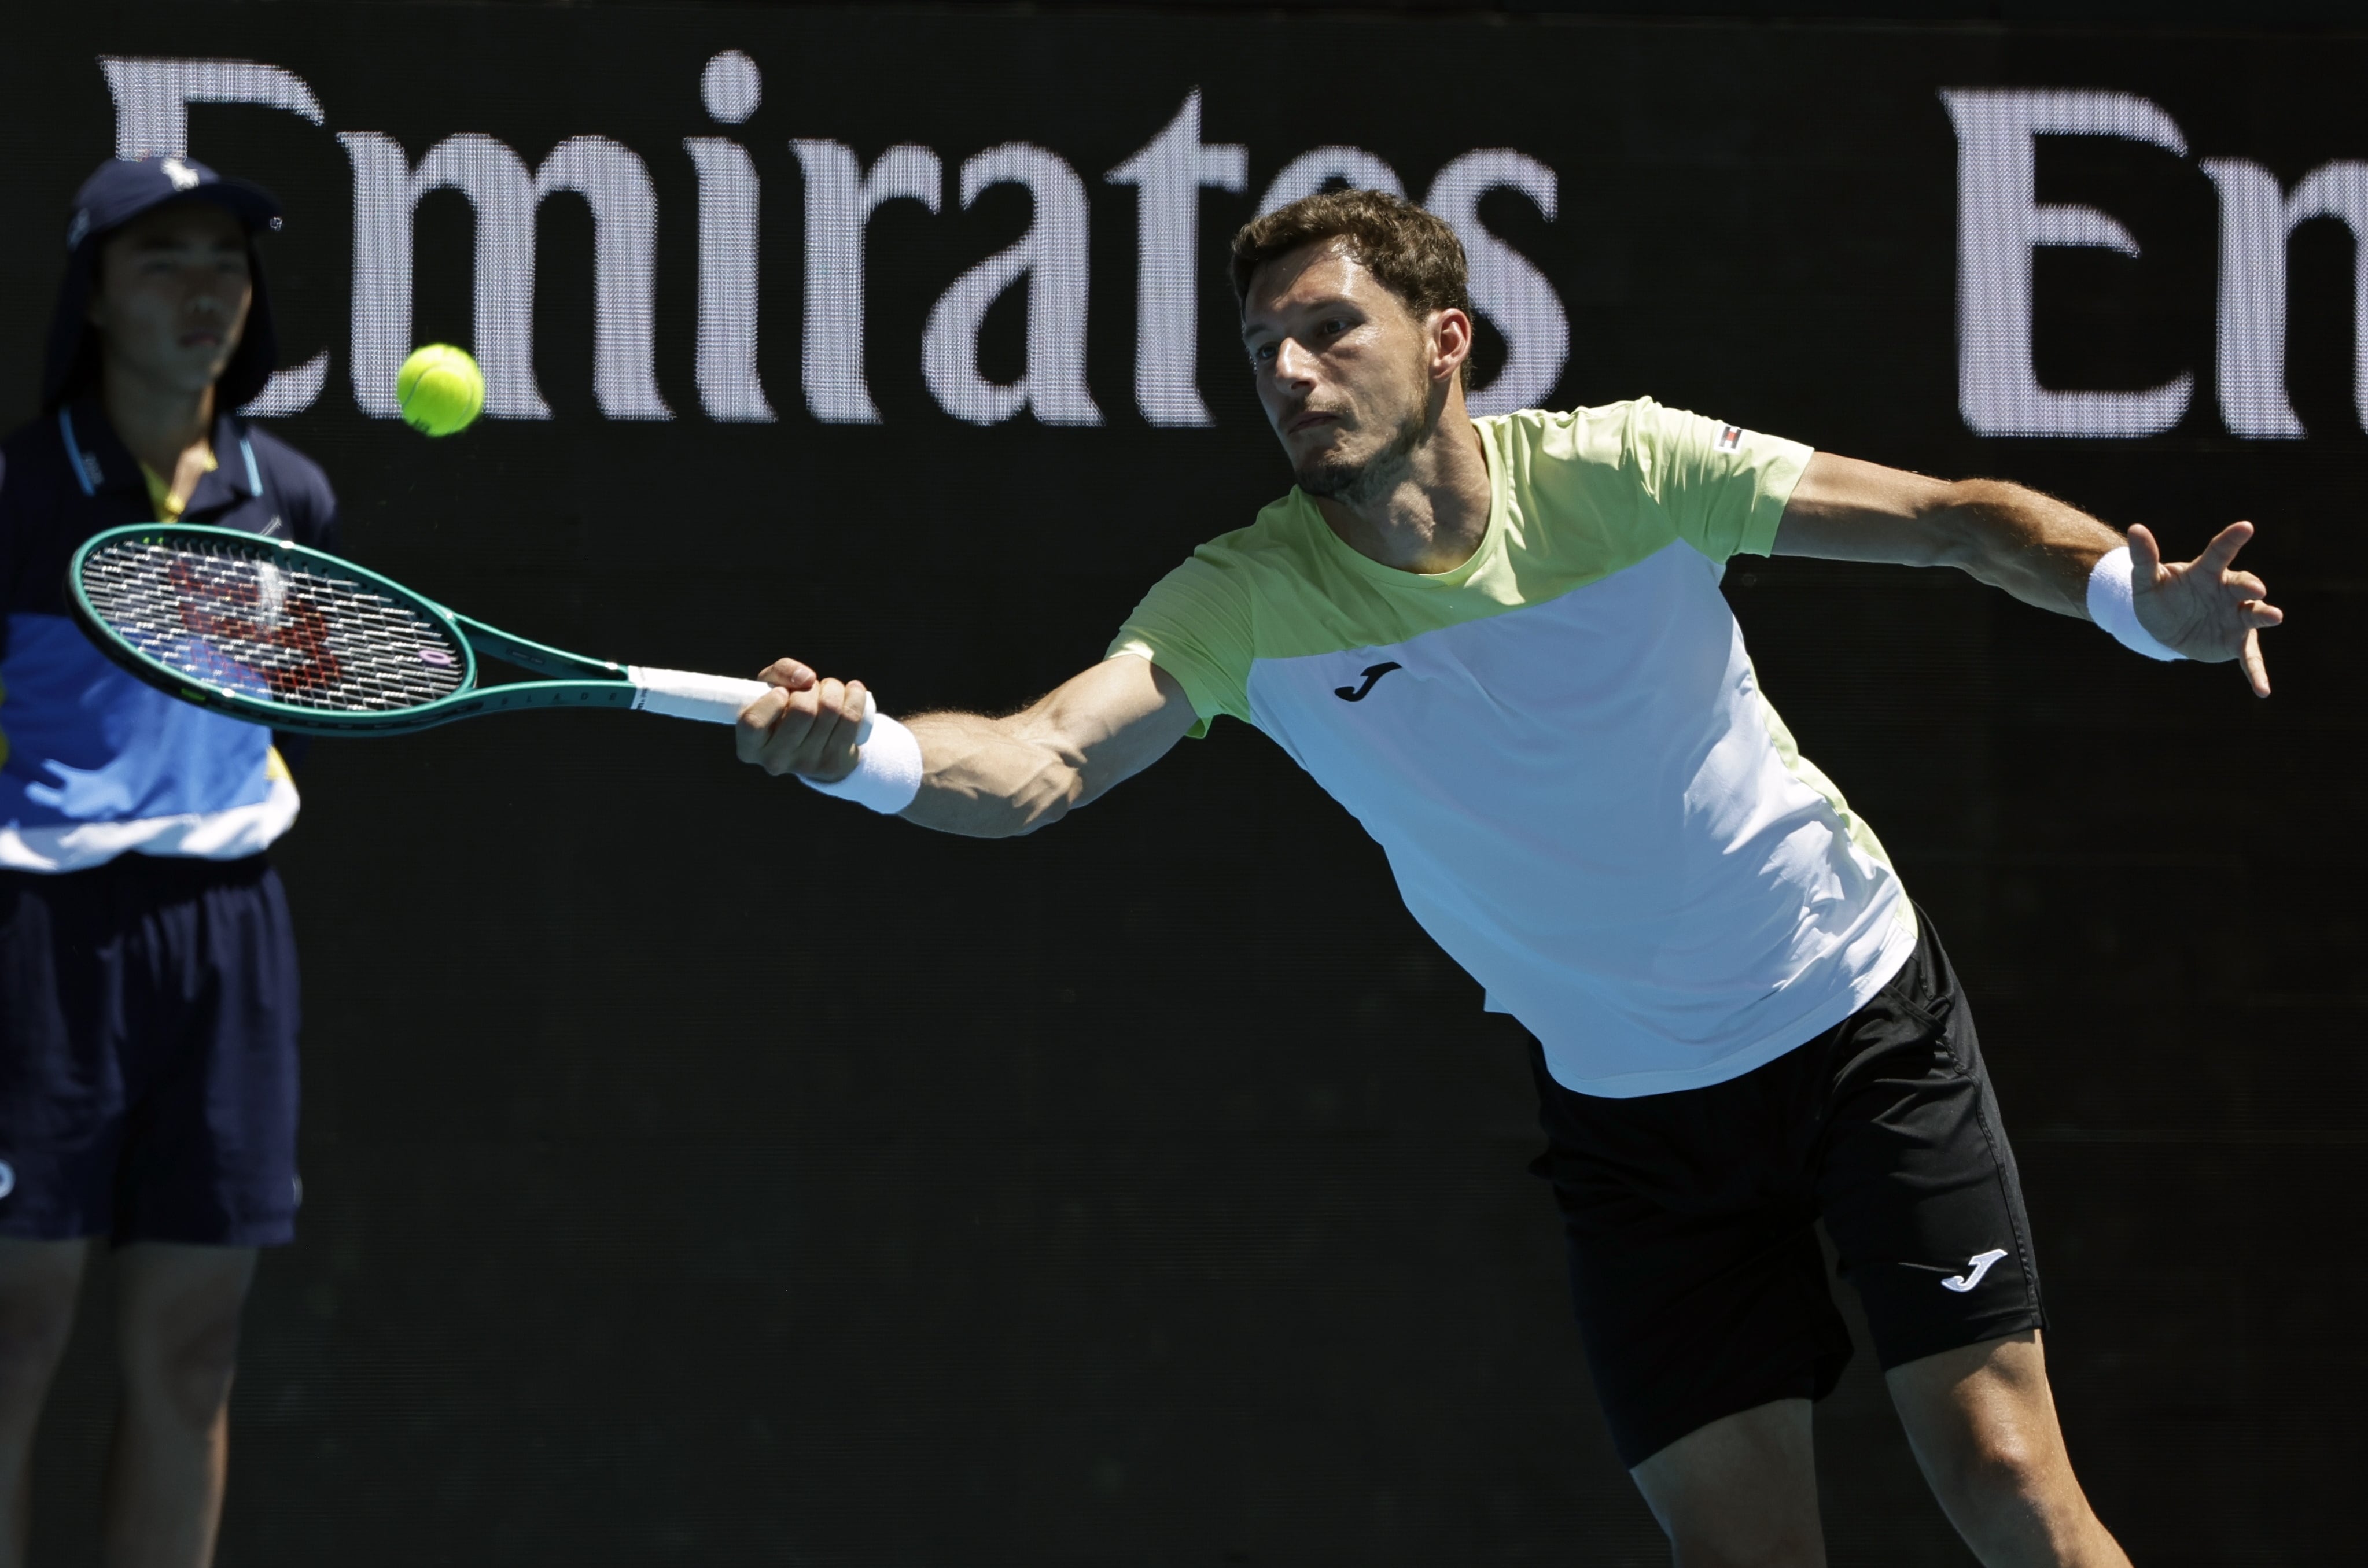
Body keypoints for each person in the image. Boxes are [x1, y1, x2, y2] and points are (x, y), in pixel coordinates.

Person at [735, 191, 2279, 1566]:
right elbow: (1039, 762)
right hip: (1629, 1124)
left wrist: (2133, 609)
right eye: (1260, 348)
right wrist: (866, 757)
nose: (1286, 372)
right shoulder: (1245, 598)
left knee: (2005, 1479)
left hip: (1855, 1026)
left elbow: (1950, 525)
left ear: (1446, 339)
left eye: (1327, 330)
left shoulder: (1626, 471)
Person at [0, 156, 338, 1568]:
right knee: (13, 1337)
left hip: (228, 940)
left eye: (227, 261)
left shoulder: (293, 498)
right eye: (164, 261)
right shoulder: (18, 492)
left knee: (194, 1350)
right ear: (95, 297)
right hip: (38, 939)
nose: (205, 290)